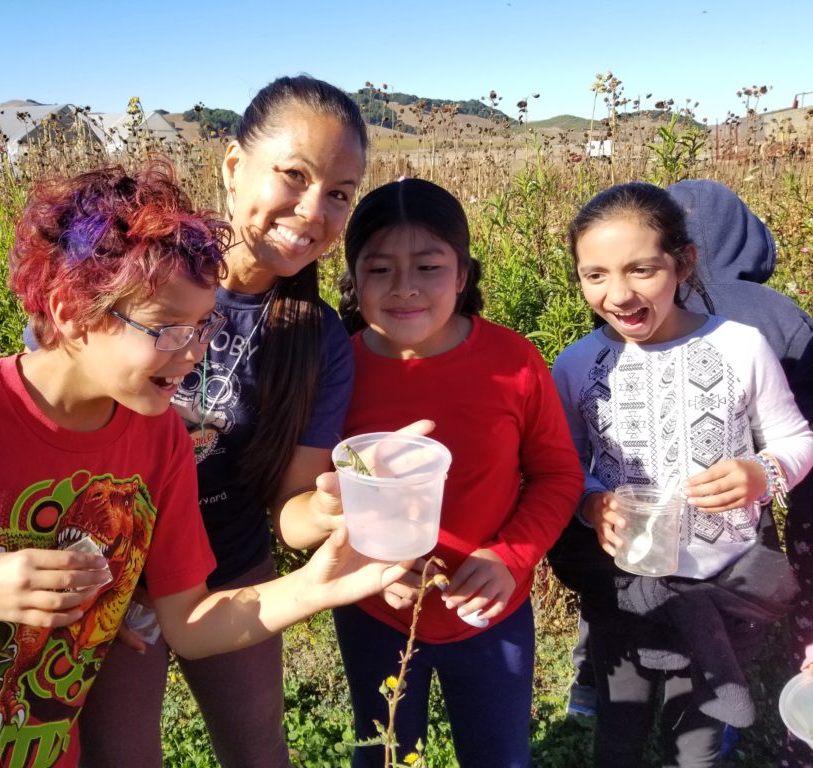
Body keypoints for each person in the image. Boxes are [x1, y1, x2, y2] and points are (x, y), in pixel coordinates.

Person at [0, 162, 406, 768]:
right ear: (69, 312)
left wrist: (312, 587)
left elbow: (188, 623)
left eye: (203, 326)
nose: (192, 353)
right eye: (167, 328)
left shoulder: (162, 439)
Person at [76, 75, 368, 767]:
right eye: (292, 175)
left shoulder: (317, 338)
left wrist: (331, 511)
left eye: (338, 194)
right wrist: (90, 571)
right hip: (112, 572)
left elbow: (289, 512)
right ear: (235, 167)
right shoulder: (135, 270)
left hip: (230, 565)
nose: (311, 210)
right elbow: (55, 413)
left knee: (259, 751)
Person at [313, 178, 583, 766]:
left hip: (491, 614)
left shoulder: (512, 361)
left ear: (462, 275)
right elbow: (325, 492)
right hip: (374, 614)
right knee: (380, 753)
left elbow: (557, 476)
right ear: (353, 281)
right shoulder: (336, 370)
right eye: (380, 269)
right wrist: (371, 569)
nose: (405, 287)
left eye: (429, 266)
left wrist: (508, 557)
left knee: (499, 755)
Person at [549, 181, 813, 767]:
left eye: (641, 269)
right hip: (626, 586)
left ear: (683, 262)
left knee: (697, 741)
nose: (618, 294)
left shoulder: (741, 347)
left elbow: (796, 439)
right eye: (594, 275)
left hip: (725, 583)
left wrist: (763, 472)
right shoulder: (574, 364)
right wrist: (592, 504)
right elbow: (563, 465)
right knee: (619, 724)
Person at [669, 178, 813, 766]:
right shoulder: (781, 314)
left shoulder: (663, 305)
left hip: (666, 504)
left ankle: (597, 691)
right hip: (752, 495)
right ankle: (742, 706)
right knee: (749, 596)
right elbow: (803, 427)